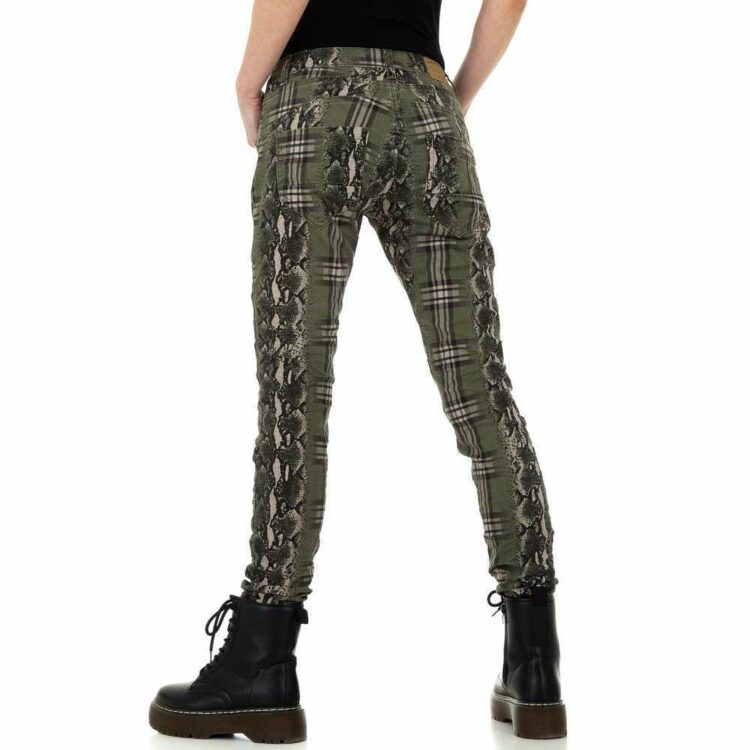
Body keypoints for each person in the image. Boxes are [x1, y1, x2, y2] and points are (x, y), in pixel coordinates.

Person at [148, 0, 565, 741]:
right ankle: (534, 660)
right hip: (429, 109)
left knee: (296, 385)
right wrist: (450, 94)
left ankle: (263, 657)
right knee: (480, 388)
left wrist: (248, 78)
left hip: (318, 99)